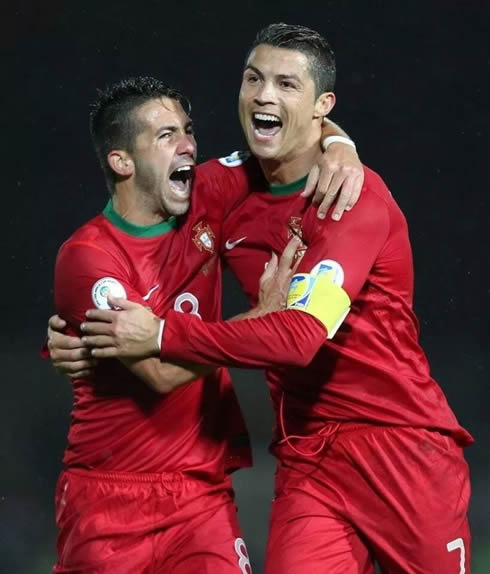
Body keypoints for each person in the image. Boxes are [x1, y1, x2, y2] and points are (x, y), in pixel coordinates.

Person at [74, 24, 473, 574]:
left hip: (401, 444)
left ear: (321, 105)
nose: (264, 95)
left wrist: (162, 334)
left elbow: (300, 338)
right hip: (309, 454)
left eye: (287, 85)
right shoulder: (226, 188)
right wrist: (78, 319)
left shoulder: (352, 201)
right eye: (254, 79)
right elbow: (138, 202)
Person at [48, 72, 363, 572]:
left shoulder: (206, 197)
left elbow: (288, 139)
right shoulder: (88, 258)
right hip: (109, 499)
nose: (189, 145)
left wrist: (339, 142)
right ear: (121, 161)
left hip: (201, 492)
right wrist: (264, 317)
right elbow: (160, 372)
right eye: (166, 135)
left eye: (188, 130)